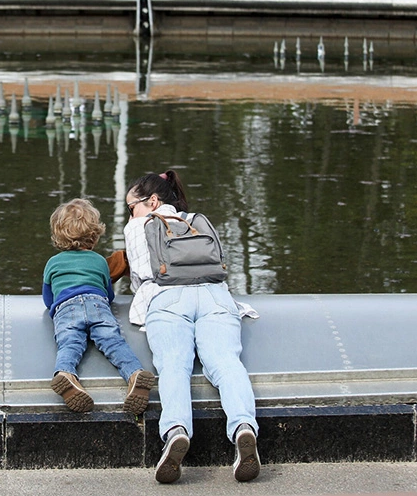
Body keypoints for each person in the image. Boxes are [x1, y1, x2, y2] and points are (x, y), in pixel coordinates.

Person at [123, 170, 260, 484]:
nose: (130, 214)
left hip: (167, 298)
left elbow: (142, 277)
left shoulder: (139, 226)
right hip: (215, 297)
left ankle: (176, 431)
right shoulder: (196, 219)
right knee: (226, 362)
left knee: (174, 364)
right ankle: (243, 428)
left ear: (152, 201)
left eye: (132, 207)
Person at [43, 198, 156, 415]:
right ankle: (134, 374)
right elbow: (108, 293)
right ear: (94, 235)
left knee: (69, 344)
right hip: (97, 303)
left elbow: (48, 298)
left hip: (67, 308)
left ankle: (66, 374)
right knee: (113, 342)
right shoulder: (99, 261)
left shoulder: (53, 263)